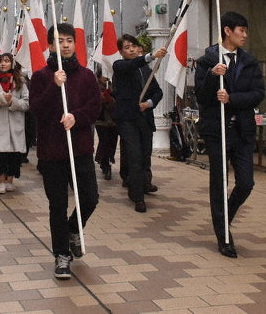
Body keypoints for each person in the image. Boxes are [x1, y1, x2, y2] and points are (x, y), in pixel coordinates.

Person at [29, 23, 101, 280]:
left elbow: (95, 107)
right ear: (50, 45)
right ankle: (61, 254)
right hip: (52, 151)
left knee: (90, 198)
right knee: (57, 204)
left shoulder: (86, 76)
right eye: (59, 41)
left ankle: (72, 230)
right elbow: (36, 109)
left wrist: (76, 117)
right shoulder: (40, 77)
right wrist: (53, 85)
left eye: (69, 40)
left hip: (80, 148)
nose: (65, 45)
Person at [194, 11, 265, 258]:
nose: (244, 35)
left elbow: (258, 93)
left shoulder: (249, 62)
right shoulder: (207, 61)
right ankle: (223, 235)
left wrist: (232, 98)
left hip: (242, 130)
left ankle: (225, 217)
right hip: (217, 130)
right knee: (219, 181)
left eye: (245, 31)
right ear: (227, 31)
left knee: (246, 182)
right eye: (241, 30)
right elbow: (201, 96)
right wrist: (213, 77)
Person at [111, 35, 166, 212]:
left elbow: (157, 92)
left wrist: (148, 103)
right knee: (135, 156)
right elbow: (131, 65)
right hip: (127, 119)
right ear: (121, 52)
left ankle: (144, 183)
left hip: (144, 118)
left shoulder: (145, 70)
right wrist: (152, 55)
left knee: (145, 154)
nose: (132, 50)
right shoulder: (120, 66)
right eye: (127, 47)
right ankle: (137, 197)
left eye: (134, 46)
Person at [0, 53, 29, 194]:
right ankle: (2, 181)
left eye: (7, 61)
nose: (3, 64)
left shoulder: (20, 82)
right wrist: (1, 99)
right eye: (1, 62)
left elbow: (26, 103)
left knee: (14, 154)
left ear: (12, 64)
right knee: (1, 154)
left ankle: (10, 180)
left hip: (15, 124)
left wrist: (12, 102)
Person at [93, 71, 117, 180]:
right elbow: (97, 100)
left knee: (112, 142)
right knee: (105, 142)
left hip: (114, 120)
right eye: (103, 75)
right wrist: (106, 97)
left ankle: (105, 161)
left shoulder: (113, 85)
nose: (106, 77)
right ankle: (106, 165)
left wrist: (111, 98)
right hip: (101, 120)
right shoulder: (95, 85)